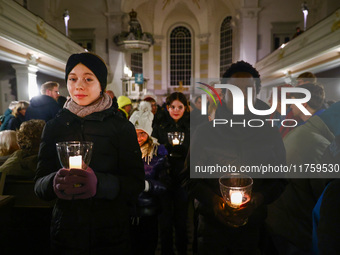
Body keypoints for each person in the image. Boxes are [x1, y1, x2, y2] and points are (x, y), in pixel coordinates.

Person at [34, 52, 145, 254]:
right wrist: (53, 182)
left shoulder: (121, 127)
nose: (79, 86)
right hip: (66, 232)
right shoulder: (54, 127)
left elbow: (135, 183)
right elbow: (39, 184)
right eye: (72, 79)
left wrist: (99, 184)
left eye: (88, 79)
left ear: (100, 84)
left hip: (110, 234)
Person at [182, 61, 286, 254]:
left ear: (256, 94)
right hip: (211, 231)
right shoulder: (205, 133)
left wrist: (257, 199)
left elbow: (280, 179)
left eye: (247, 90)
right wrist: (214, 201)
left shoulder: (270, 134)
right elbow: (189, 179)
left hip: (253, 230)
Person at [266, 101, 340, 255]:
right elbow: (326, 195)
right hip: (294, 230)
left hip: (281, 219)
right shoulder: (320, 144)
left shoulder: (306, 132)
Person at [152, 91, 190, 255]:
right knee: (165, 220)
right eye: (172, 107)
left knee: (182, 220)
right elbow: (152, 148)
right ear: (167, 107)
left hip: (183, 176)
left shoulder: (190, 126)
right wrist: (163, 150)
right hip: (164, 176)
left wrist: (185, 150)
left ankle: (182, 250)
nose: (176, 110)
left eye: (179, 107)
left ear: (185, 108)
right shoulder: (160, 125)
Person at [129, 101, 169, 255]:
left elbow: (165, 184)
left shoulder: (157, 154)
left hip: (148, 209)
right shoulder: (125, 151)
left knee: (148, 245)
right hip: (128, 209)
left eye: (143, 133)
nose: (139, 137)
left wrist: (148, 186)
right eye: (136, 132)